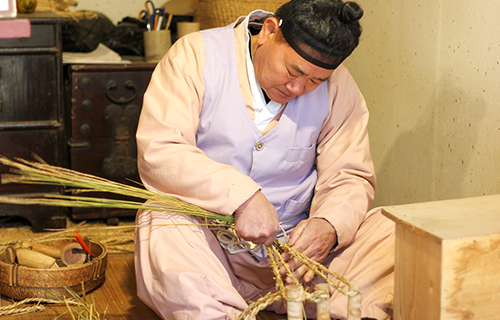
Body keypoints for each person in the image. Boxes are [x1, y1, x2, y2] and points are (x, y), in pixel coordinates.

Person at [134, 0, 395, 319]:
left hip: (300, 262)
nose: (299, 88)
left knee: (396, 233)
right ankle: (216, 310)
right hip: (212, 249)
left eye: (315, 81)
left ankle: (313, 300)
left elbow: (350, 174)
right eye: (293, 71)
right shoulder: (196, 56)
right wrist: (241, 197)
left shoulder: (339, 85)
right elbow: (160, 147)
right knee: (159, 220)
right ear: (268, 31)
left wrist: (328, 225)